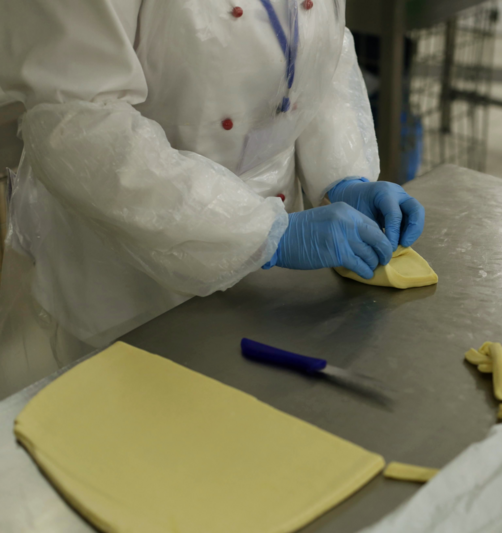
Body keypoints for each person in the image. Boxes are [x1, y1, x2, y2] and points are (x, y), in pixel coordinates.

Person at [0, 0, 425, 399]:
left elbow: (318, 51)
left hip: (274, 270)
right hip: (126, 272)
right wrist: (258, 231)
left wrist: (341, 175)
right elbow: (78, 123)